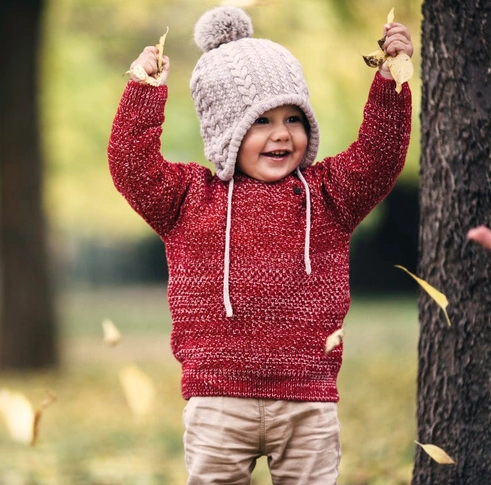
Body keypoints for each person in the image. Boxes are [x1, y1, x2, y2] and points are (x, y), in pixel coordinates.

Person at [108, 6, 413, 484]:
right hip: (217, 402)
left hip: (308, 401)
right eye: (261, 120)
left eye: (294, 118)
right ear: (227, 130)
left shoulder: (329, 195)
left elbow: (379, 155)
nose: (281, 134)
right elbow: (132, 166)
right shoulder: (189, 200)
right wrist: (143, 93)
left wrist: (393, 77)